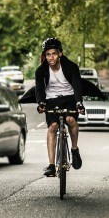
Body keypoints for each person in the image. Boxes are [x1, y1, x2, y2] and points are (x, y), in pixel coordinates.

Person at [35, 37, 85, 177]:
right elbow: (39, 89)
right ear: (45, 55)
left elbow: (77, 86)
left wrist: (79, 103)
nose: (51, 58)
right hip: (51, 100)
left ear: (60, 54)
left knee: (70, 120)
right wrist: (41, 104)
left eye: (54, 54)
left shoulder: (71, 67)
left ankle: (74, 149)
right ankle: (51, 165)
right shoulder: (41, 71)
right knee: (53, 127)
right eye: (48, 54)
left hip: (69, 98)